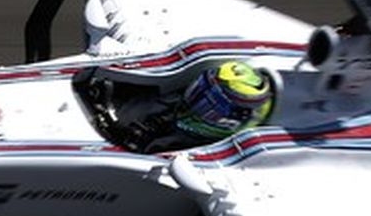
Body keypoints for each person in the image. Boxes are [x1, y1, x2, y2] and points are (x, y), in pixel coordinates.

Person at [95, 59, 278, 153]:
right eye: (200, 89)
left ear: (228, 120)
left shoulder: (186, 147)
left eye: (207, 103)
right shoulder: (179, 103)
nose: (195, 99)